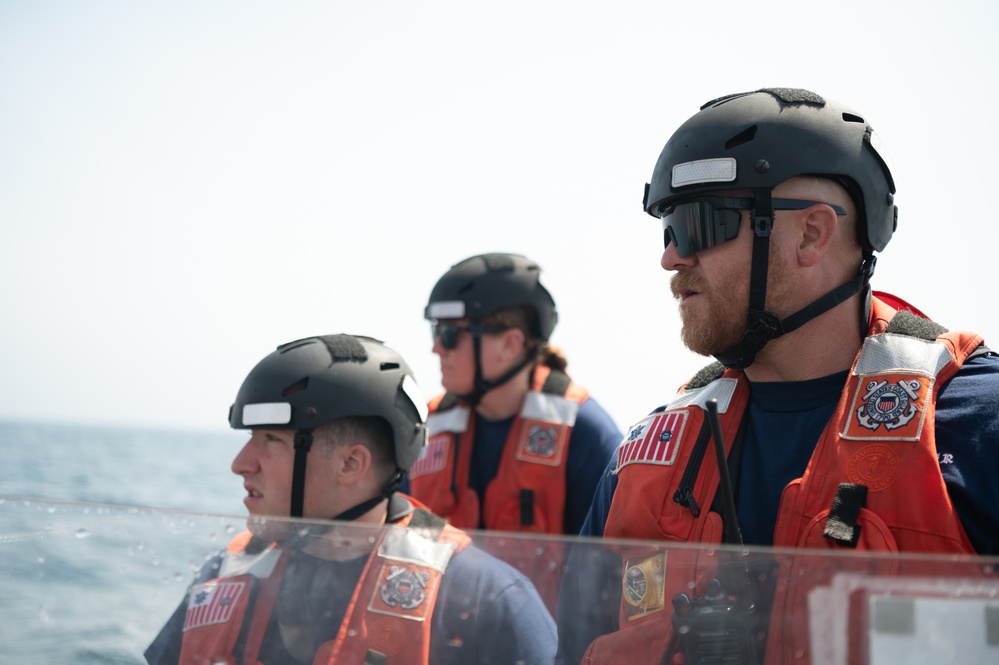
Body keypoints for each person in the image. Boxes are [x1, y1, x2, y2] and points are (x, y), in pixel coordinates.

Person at [556, 88, 999, 664]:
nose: (671, 257)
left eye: (698, 223)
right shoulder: (644, 459)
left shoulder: (974, 425)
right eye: (666, 228)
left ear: (812, 235)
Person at [144, 334, 556, 665]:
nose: (240, 464)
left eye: (270, 439)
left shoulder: (488, 599)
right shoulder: (223, 573)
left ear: (350, 464)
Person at [408, 252, 622, 613]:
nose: (436, 348)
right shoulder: (422, 431)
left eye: (449, 334)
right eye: (435, 331)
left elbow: (610, 579)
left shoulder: (583, 433)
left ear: (510, 344)